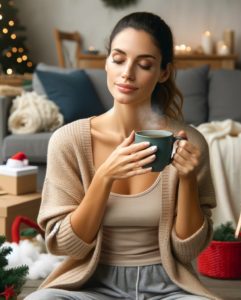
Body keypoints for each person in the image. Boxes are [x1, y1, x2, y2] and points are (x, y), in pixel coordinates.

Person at [25, 11, 217, 300]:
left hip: (169, 288)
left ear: (163, 72)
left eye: (144, 64)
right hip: (91, 286)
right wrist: (104, 177)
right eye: (118, 59)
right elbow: (65, 246)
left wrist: (187, 180)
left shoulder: (190, 143)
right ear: (106, 63)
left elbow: (188, 251)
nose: (127, 72)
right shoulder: (68, 141)